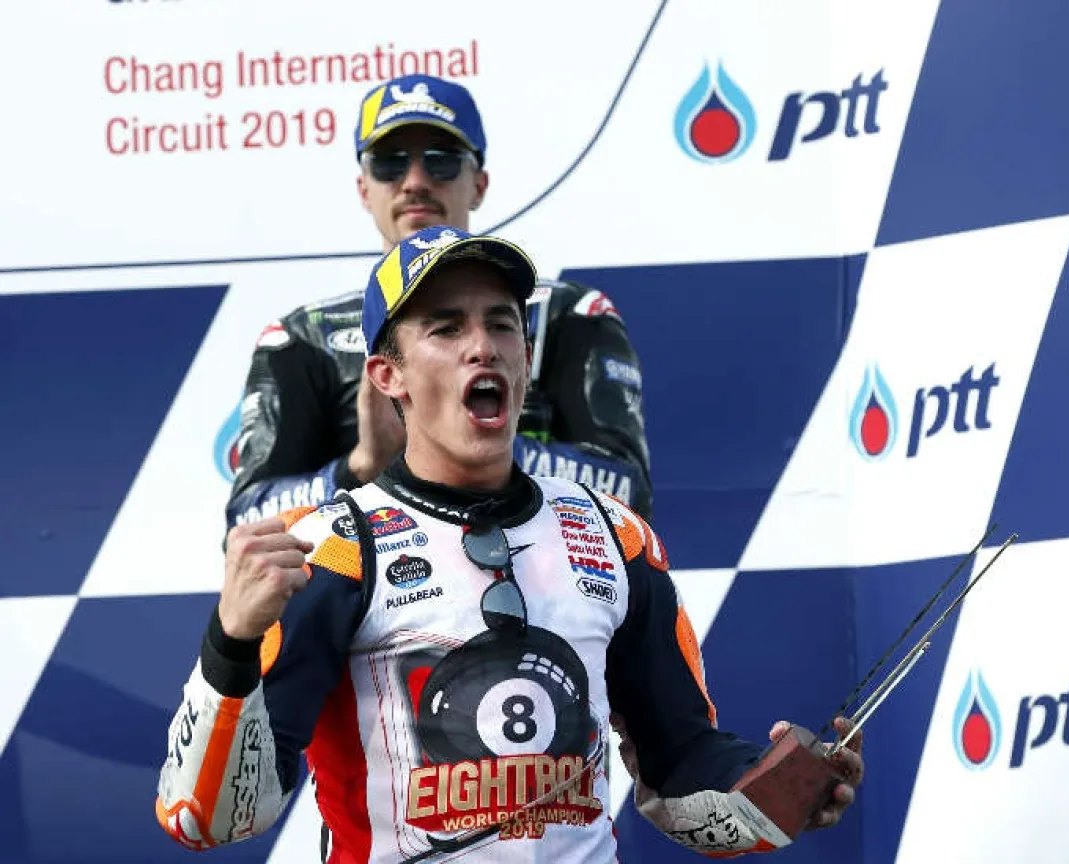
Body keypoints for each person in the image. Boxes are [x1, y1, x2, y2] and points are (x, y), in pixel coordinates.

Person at [156, 226, 864, 862]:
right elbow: (208, 818)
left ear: (525, 358)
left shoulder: (614, 534)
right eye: (445, 328)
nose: (482, 344)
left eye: (501, 324)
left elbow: (680, 767)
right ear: (387, 375)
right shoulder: (333, 548)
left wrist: (778, 793)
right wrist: (231, 642)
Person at [224, 73, 652, 533]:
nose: (414, 182)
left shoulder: (567, 313)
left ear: (479, 184)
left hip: (538, 569)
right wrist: (362, 466)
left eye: (441, 161)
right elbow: (248, 522)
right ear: (364, 189)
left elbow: (627, 494)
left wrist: (461, 440)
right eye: (389, 163)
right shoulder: (305, 337)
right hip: (369, 575)